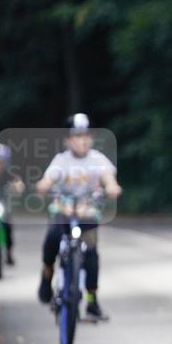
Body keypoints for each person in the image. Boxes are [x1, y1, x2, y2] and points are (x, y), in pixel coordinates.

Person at [35, 114, 121, 319]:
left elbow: (109, 179)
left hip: (86, 212)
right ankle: (47, 275)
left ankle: (92, 301)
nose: (81, 140)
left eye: (85, 136)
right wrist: (44, 186)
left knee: (91, 252)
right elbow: (47, 180)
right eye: (76, 136)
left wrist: (112, 187)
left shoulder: (98, 160)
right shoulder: (61, 161)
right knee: (52, 240)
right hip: (63, 211)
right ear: (68, 140)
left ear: (91, 138)